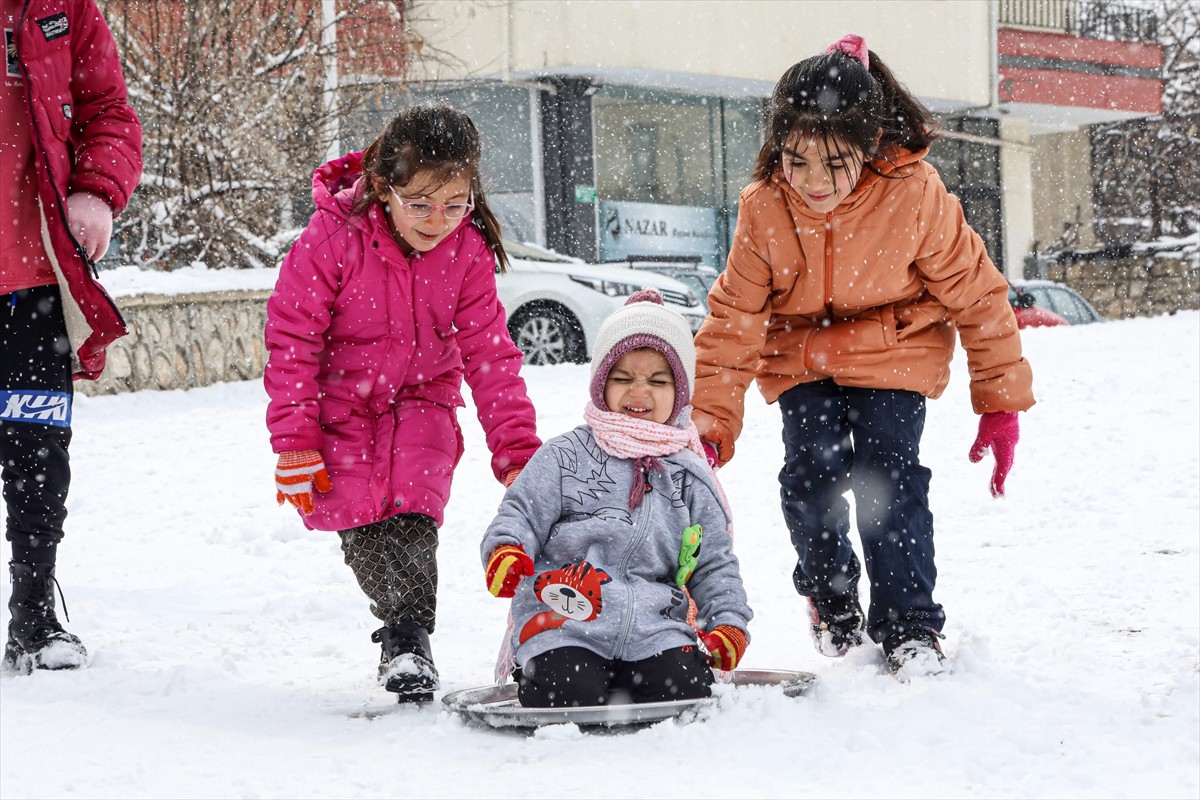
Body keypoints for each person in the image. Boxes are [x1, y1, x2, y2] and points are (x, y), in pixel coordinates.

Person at [691, 34, 1034, 679]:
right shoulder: (764, 208)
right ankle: (831, 596)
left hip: (895, 349)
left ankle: (910, 626)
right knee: (811, 478)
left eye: (834, 163)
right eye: (797, 161)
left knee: (889, 478)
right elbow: (734, 321)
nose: (813, 182)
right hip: (802, 356)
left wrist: (1000, 402)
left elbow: (979, 293)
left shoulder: (914, 194)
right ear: (778, 146)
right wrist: (709, 427)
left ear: (870, 144)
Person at [264, 104, 541, 703]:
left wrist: (517, 451)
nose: (438, 220)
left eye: (455, 204)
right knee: (364, 528)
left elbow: (491, 356)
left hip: (423, 402)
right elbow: (292, 342)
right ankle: (396, 621)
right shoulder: (332, 240)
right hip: (340, 407)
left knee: (414, 517)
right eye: (419, 203)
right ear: (383, 186)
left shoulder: (466, 252)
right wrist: (295, 441)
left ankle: (409, 639)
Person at [481, 290, 752, 708]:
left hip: (654, 627)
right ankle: (563, 676)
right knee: (566, 690)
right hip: (565, 620)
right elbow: (522, 511)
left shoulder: (688, 475)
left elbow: (714, 561)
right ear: (600, 383)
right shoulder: (565, 455)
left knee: (683, 689)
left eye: (658, 381)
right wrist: (506, 549)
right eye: (623, 378)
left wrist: (728, 622)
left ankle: (636, 679)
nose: (639, 392)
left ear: (680, 392)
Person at [1, 0, 143, 673]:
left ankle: (33, 616)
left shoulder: (64, 8)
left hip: (34, 282)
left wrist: (96, 190)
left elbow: (108, 111)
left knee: (37, 452)